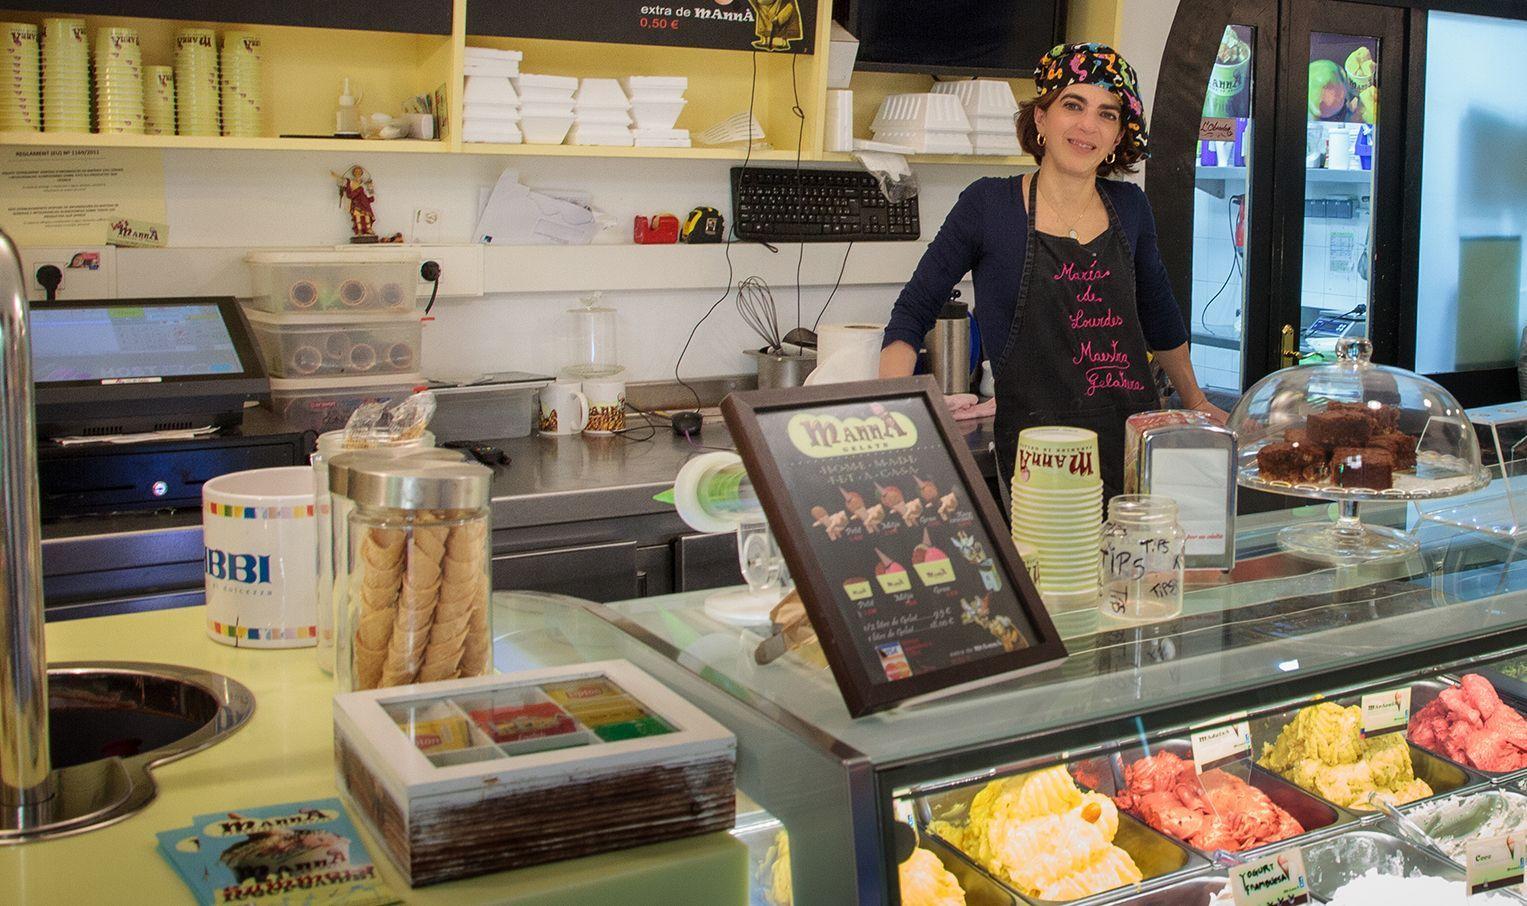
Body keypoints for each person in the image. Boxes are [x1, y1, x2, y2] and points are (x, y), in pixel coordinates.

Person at [880, 43, 1228, 496]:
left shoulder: (1131, 208)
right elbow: (913, 311)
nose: (1088, 126)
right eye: (1073, 104)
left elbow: (1159, 314)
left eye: (1108, 114)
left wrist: (1196, 399)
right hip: (1035, 456)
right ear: (1041, 118)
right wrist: (885, 416)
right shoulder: (988, 204)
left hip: (1131, 447)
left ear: (1118, 135)